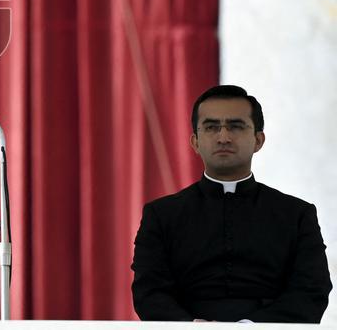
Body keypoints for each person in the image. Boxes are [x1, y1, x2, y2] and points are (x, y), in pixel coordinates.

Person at [131, 85, 332, 322]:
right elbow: (149, 292)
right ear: (195, 142)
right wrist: (191, 327)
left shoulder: (297, 215)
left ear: (258, 140)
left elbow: (311, 291)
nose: (223, 137)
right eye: (211, 127)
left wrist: (250, 328)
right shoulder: (162, 215)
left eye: (236, 126)